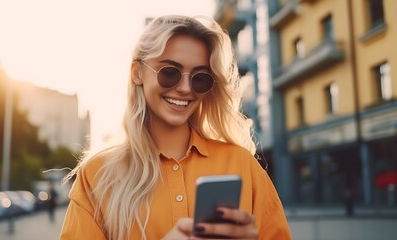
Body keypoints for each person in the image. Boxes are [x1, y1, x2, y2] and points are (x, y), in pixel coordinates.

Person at [60, 15, 291, 240]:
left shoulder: (242, 164)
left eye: (200, 78)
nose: (185, 88)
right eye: (170, 72)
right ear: (137, 72)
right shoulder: (97, 175)